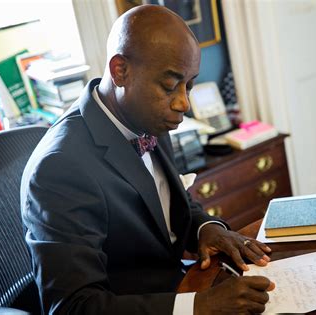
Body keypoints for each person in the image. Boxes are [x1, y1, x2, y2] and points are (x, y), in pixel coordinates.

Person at [21, 5, 274, 315]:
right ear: (120, 71)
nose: (183, 102)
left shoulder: (146, 116)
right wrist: (198, 306)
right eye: (170, 85)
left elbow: (168, 204)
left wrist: (205, 228)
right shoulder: (59, 168)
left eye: (189, 85)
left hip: (180, 284)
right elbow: (74, 307)